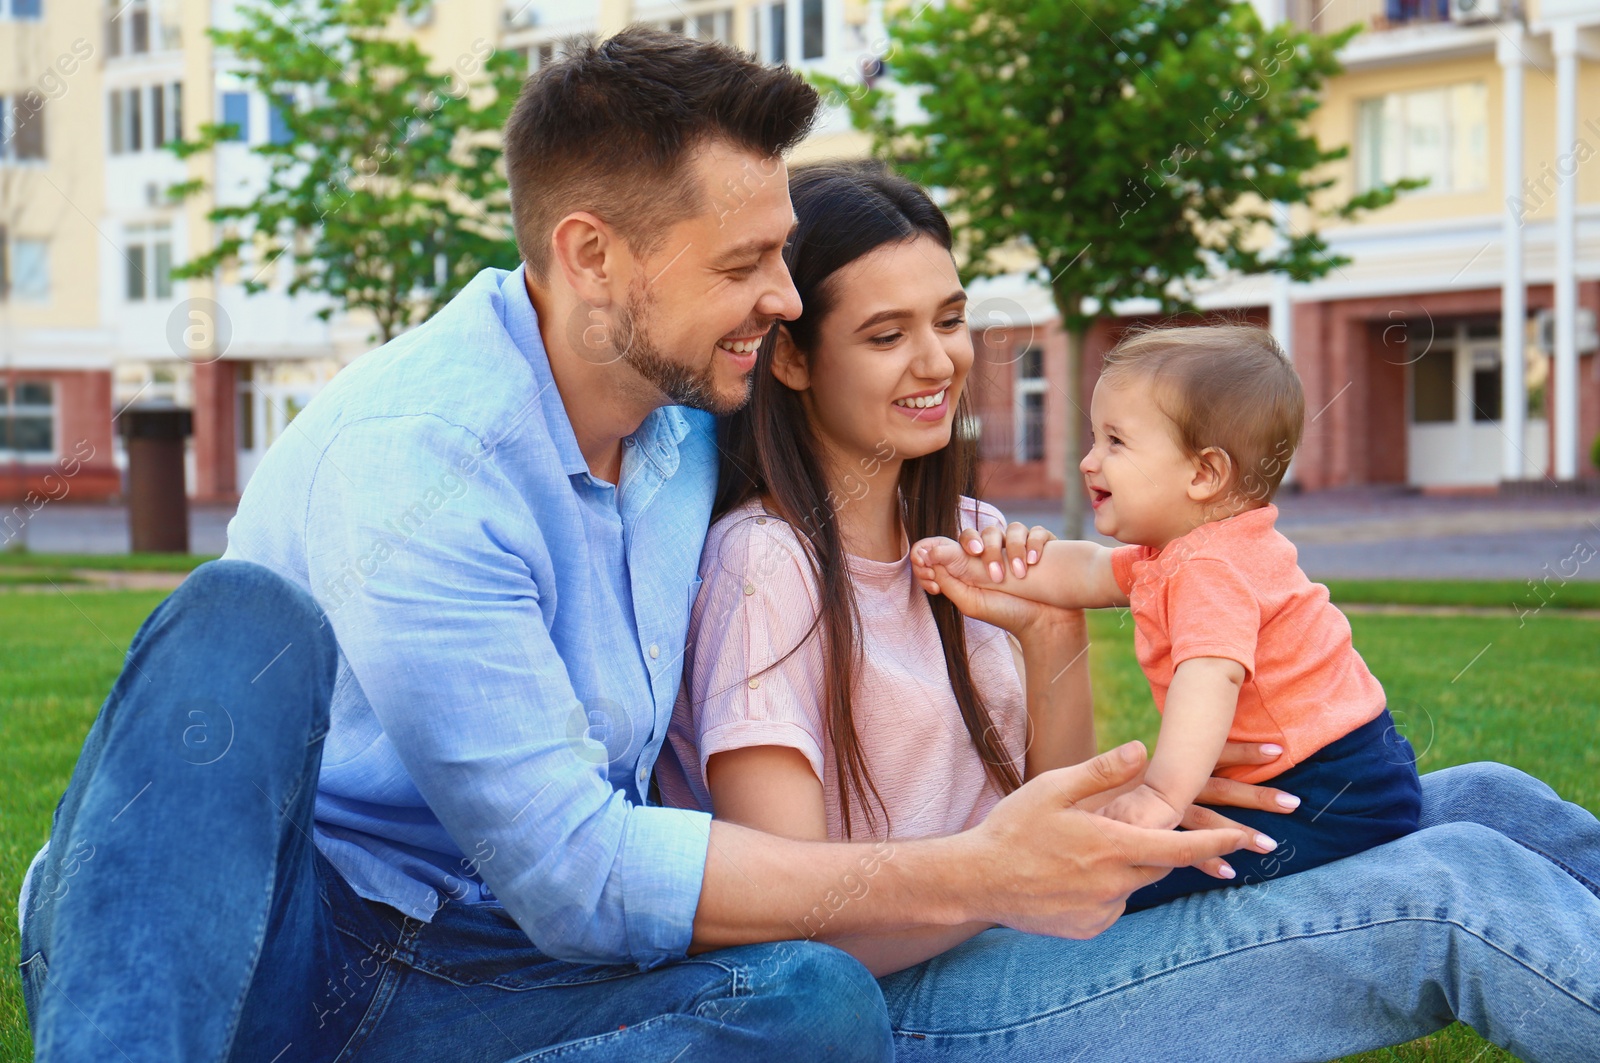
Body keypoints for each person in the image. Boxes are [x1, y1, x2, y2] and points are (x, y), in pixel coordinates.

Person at [16, 29, 1255, 1063]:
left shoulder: (682, 429)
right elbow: (572, 870)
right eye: (746, 262)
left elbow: (876, 482)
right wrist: (979, 871)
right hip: (272, 934)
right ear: (590, 255)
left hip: (483, 963)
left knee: (815, 1006)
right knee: (239, 620)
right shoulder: (420, 453)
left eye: (781, 252)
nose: (783, 297)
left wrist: (1188, 650)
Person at [667, 158, 1600, 1060]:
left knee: (1488, 798)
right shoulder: (767, 567)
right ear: (791, 357)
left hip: (1033, 931)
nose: (937, 359)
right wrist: (1002, 875)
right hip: (913, 1005)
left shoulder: (978, 534)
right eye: (885, 334)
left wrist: (1060, 658)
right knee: (1452, 887)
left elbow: (1048, 803)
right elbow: (789, 925)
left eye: (950, 319)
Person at [913, 323, 1422, 909]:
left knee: (1129, 877)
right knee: (1129, 857)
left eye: (1115, 443)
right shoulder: (1182, 551)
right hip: (1342, 772)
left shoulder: (1209, 567)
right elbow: (1083, 571)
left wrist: (1160, 796)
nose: (1088, 461)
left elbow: (1209, 678)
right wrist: (973, 565)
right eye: (1093, 439)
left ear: (1204, 474)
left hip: (1328, 789)